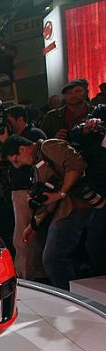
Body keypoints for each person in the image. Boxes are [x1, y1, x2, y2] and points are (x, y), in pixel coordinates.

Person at [1, 135, 90, 290]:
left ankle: (70, 297)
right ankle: (70, 294)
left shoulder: (49, 146)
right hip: (64, 210)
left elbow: (76, 165)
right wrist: (33, 226)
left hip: (74, 207)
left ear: (22, 149)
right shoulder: (37, 165)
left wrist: (61, 193)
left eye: (16, 160)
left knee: (53, 258)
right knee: (55, 258)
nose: (17, 166)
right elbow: (47, 200)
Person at [0, 105, 47, 279]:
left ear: (21, 119)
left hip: (31, 190)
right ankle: (26, 273)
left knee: (25, 237)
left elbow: (28, 163)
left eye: (10, 121)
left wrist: (8, 140)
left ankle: (29, 276)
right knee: (22, 237)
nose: (6, 125)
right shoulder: (10, 140)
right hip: (16, 192)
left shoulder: (34, 135)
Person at [69, 104, 106, 276]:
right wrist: (87, 127)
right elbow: (75, 135)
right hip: (100, 185)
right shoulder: (100, 112)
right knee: (95, 240)